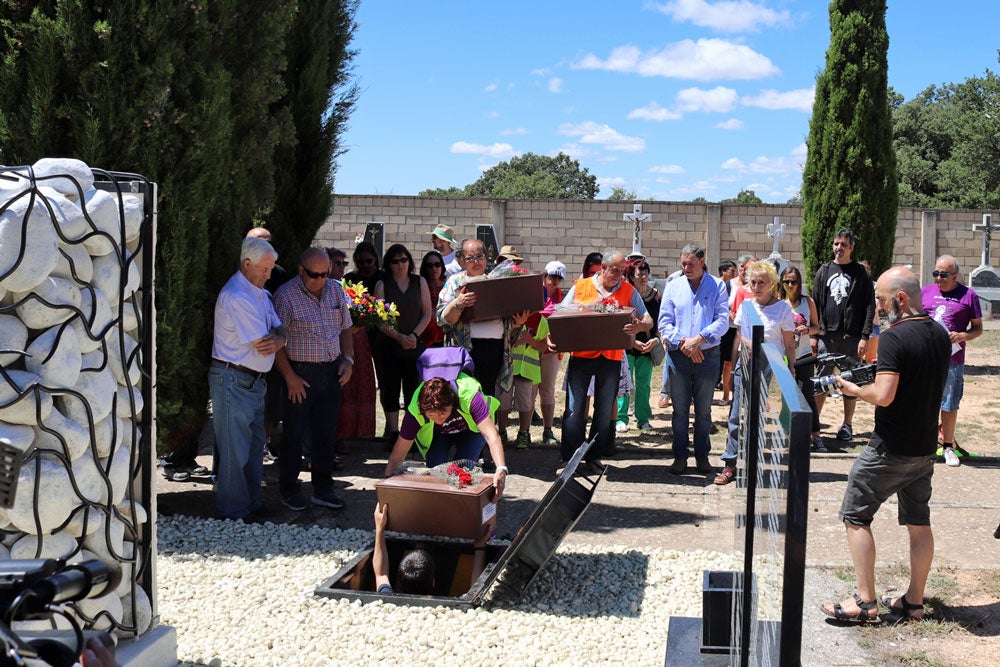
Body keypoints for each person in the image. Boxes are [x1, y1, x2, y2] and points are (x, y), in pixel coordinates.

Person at [820, 267, 950, 623]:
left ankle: (864, 603)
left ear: (901, 299)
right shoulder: (939, 333)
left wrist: (852, 389)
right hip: (924, 448)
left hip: (889, 448)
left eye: (880, 300)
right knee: (919, 521)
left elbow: (884, 395)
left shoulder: (894, 337)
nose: (877, 308)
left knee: (855, 516)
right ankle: (914, 602)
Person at [209, 236, 287, 520]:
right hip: (234, 380)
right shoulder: (237, 296)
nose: (270, 274)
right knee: (235, 452)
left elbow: (280, 332)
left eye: (271, 268)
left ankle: (250, 505)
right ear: (246, 264)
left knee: (254, 449)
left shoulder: (259, 293)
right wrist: (279, 340)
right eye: (265, 269)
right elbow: (265, 341)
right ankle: (233, 512)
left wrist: (278, 340)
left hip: (253, 381)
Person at [272, 247, 354, 511]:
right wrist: (290, 377)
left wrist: (348, 360)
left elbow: (345, 327)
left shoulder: (335, 289)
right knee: (293, 435)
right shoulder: (285, 297)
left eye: (324, 273)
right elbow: (276, 342)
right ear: (300, 270)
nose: (320, 279)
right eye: (314, 275)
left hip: (331, 371)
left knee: (325, 434)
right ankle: (289, 489)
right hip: (300, 373)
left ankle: (323, 488)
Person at [557, 250, 653, 467]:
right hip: (582, 356)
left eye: (622, 271)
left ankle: (593, 455)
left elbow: (648, 318)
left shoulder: (628, 290)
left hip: (611, 358)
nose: (618, 276)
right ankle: (570, 457)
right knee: (574, 408)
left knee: (603, 410)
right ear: (603, 268)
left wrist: (640, 325)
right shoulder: (581, 286)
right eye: (614, 271)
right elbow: (560, 313)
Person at [436, 238, 530, 444]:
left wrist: (518, 323)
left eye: (480, 256)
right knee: (464, 398)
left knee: (488, 399)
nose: (476, 261)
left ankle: (485, 446)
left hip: (495, 349)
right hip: (465, 351)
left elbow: (509, 325)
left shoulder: (497, 280)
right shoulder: (455, 282)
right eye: (470, 258)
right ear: (461, 260)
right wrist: (458, 303)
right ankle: (464, 445)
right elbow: (442, 318)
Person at [715, 261, 795, 485]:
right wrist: (731, 367)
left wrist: (791, 370)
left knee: (758, 418)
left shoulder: (782, 309)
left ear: (772, 284)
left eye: (762, 282)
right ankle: (730, 464)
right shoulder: (746, 306)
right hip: (745, 365)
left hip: (770, 367)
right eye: (754, 282)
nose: (757, 286)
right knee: (735, 416)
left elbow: (789, 344)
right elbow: (739, 338)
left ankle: (754, 464)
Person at [658, 243, 729, 475]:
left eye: (691, 263)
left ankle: (702, 456)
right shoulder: (673, 286)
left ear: (702, 261)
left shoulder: (717, 285)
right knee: (679, 410)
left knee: (704, 410)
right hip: (678, 356)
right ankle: (679, 456)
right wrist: (685, 344)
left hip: (707, 356)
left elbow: (722, 320)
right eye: (683, 264)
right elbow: (664, 323)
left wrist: (699, 339)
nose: (686, 268)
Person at [384, 377, 509, 497]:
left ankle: (461, 504)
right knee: (437, 476)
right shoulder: (415, 410)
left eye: (443, 414)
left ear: (452, 403)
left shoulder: (468, 395)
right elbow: (398, 454)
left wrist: (501, 469)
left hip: (471, 432)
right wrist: (386, 488)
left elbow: (492, 436)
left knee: (462, 472)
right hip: (438, 435)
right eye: (432, 415)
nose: (439, 420)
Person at [811, 229, 875, 445]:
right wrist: (815, 333)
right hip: (827, 335)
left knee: (850, 379)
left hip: (852, 336)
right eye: (836, 244)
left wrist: (865, 336)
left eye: (843, 245)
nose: (839, 248)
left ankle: (847, 424)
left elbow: (869, 305)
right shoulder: (824, 270)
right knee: (821, 380)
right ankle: (815, 424)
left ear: (851, 247)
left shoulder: (860, 273)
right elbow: (816, 303)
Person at [921, 254, 982, 467]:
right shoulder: (925, 293)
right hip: (926, 358)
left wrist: (963, 336)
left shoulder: (969, 296)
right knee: (923, 400)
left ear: (955, 275)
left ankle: (948, 446)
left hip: (952, 359)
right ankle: (925, 444)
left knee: (949, 402)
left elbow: (978, 328)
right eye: (935, 273)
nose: (938, 278)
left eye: (944, 275)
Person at [374, 244, 433, 440]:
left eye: (404, 259)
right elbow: (379, 320)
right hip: (390, 345)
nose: (400, 264)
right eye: (395, 261)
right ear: (388, 264)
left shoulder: (420, 282)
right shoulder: (382, 285)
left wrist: (414, 336)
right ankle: (392, 431)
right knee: (390, 390)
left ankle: (410, 434)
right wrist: (399, 337)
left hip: (415, 345)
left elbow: (427, 313)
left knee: (413, 391)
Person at [373, 503, 489, 596]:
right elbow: (475, 592)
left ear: (398, 581)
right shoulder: (446, 610)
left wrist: (379, 528)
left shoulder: (388, 600)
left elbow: (381, 574)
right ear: (433, 582)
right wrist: (480, 547)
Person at [780, 265, 825, 452]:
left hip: (804, 355)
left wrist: (807, 330)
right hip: (783, 355)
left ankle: (815, 435)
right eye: (787, 281)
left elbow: (818, 326)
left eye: (794, 281)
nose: (790, 285)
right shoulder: (778, 303)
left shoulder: (808, 302)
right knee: (785, 396)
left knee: (808, 396)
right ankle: (788, 434)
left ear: (799, 283)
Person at [342, 242, 383, 440]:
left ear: (375, 259)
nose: (365, 265)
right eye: (361, 262)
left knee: (372, 384)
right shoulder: (349, 279)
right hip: (357, 335)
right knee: (354, 383)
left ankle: (367, 430)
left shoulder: (382, 277)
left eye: (369, 261)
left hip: (381, 335)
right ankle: (350, 429)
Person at [617, 258, 661, 433]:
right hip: (628, 345)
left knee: (644, 384)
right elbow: (620, 322)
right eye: (639, 274)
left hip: (647, 346)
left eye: (645, 273)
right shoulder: (627, 294)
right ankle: (620, 419)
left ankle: (643, 418)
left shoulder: (655, 295)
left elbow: (659, 321)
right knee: (625, 384)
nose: (643, 277)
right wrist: (633, 342)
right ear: (631, 276)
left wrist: (655, 340)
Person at [536, 261, 566, 447]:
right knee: (529, 391)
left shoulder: (563, 299)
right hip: (530, 348)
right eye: (551, 276)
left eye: (558, 277)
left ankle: (548, 430)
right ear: (544, 275)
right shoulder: (535, 294)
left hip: (551, 350)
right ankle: (525, 431)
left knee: (547, 389)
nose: (554, 280)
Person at [716, 259, 738, 405]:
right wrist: (728, 313)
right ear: (724, 271)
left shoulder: (740, 287)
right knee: (724, 361)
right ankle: (724, 391)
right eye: (732, 270)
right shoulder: (721, 286)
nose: (735, 272)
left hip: (739, 328)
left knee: (731, 362)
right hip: (726, 329)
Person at [419, 250, 447, 347]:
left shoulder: (449, 285)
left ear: (442, 266)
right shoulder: (420, 285)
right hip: (426, 335)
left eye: (437, 264)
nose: (434, 268)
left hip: (445, 335)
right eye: (429, 265)